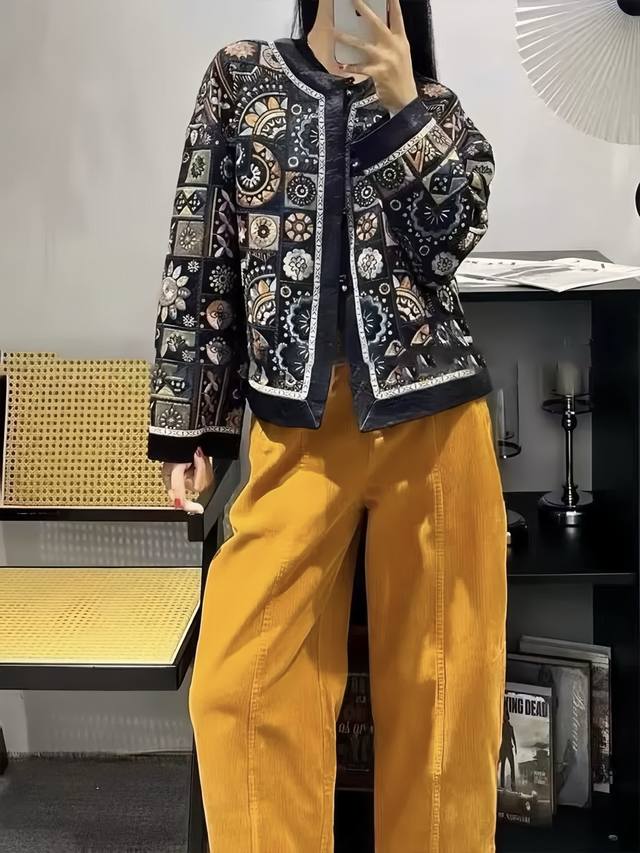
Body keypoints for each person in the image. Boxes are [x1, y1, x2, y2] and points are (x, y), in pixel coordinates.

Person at [147, 0, 508, 850]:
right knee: (239, 687)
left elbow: (451, 241)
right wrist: (189, 422)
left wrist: (404, 103)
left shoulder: (434, 104)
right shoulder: (241, 77)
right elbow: (201, 250)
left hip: (434, 422)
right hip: (297, 433)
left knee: (446, 698)